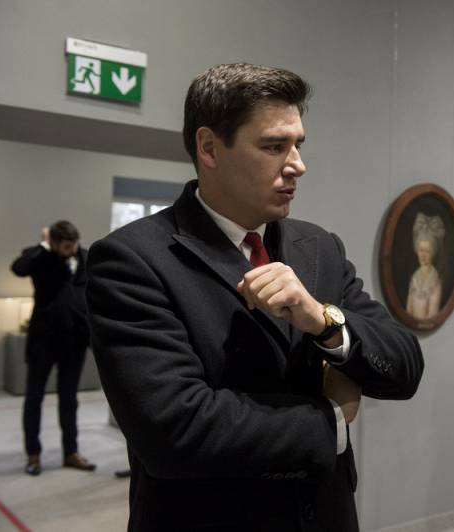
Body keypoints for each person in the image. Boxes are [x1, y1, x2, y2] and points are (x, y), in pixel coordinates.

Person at [86, 63, 423, 531]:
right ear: (209, 148)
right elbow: (173, 432)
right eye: (273, 146)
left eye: (298, 144)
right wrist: (331, 420)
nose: (298, 164)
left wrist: (323, 322)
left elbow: (404, 366)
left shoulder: (319, 246)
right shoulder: (132, 259)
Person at [11, 221, 97, 476]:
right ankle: (33, 454)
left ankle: (71, 452)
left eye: (74, 244)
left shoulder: (87, 257)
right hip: (43, 341)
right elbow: (18, 268)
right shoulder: (39, 257)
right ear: (54, 243)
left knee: (69, 399)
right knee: (34, 397)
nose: (71, 250)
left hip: (75, 341)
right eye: (66, 246)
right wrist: (43, 245)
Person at [406, 213, 444, 319]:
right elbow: (408, 310)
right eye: (421, 250)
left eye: (427, 251)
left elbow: (431, 316)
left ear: (433, 253)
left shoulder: (435, 282)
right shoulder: (415, 277)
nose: (423, 255)